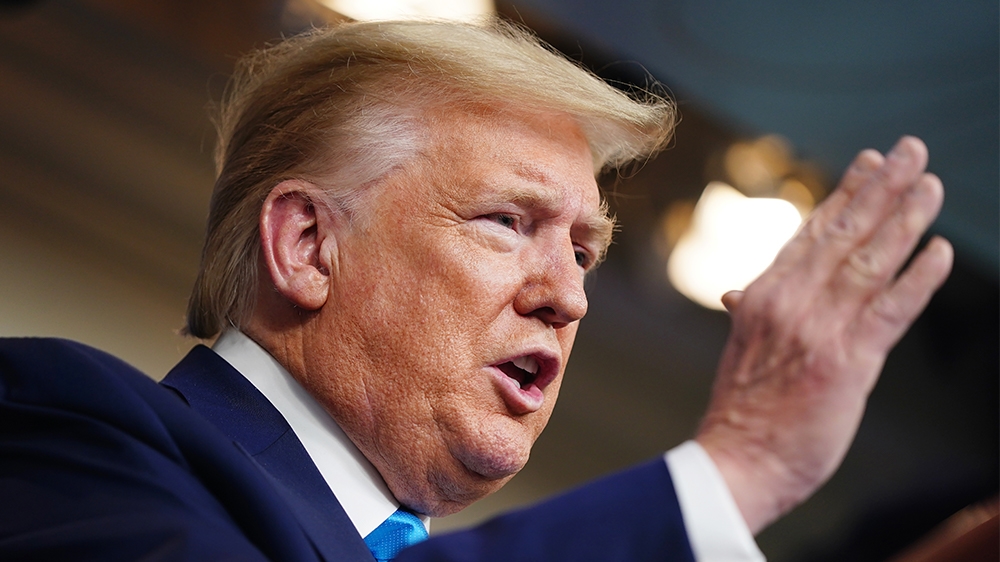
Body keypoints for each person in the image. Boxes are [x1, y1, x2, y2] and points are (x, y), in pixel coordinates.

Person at [0, 19, 952, 561]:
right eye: (507, 221)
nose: (568, 298)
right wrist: (736, 469)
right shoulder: (66, 424)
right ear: (306, 245)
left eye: (584, 252)